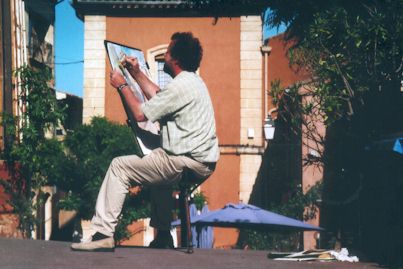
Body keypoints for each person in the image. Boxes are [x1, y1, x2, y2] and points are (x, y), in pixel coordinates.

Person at [71, 32, 219, 252]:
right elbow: (158, 95)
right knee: (158, 173)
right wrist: (136, 72)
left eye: (167, 52)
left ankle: (102, 234)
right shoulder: (193, 82)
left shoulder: (179, 86)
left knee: (120, 166)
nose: (165, 56)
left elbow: (141, 114)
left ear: (175, 60)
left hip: (185, 160)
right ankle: (163, 237)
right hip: (202, 163)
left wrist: (122, 85)